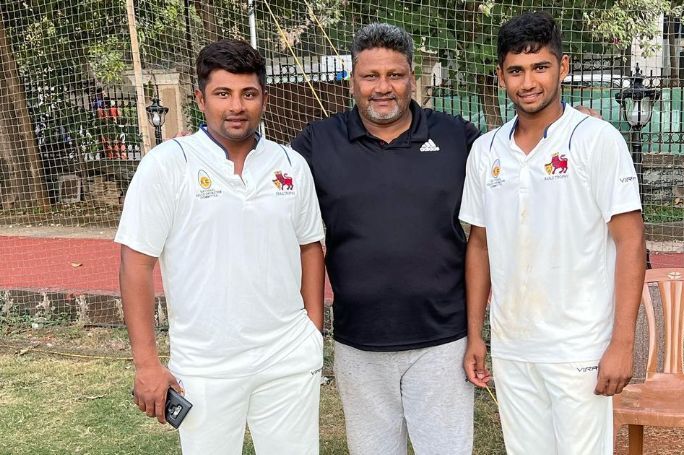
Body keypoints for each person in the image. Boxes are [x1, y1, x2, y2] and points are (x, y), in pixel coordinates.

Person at [116, 39, 325, 455]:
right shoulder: (167, 163)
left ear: (264, 97)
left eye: (248, 94)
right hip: (205, 366)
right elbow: (135, 266)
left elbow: (310, 247)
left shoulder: (290, 164)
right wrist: (146, 364)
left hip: (287, 358)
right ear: (200, 98)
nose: (236, 106)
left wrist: (312, 332)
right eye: (222, 93)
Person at [460, 12, 646, 454]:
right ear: (501, 76)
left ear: (563, 68)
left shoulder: (596, 139)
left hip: (579, 346)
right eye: (516, 70)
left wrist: (622, 343)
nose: (528, 82)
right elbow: (480, 245)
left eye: (540, 67)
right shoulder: (485, 151)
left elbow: (631, 240)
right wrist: (475, 334)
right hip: (513, 345)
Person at [291, 23, 479, 455]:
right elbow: (265, 187)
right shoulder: (317, 143)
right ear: (352, 80)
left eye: (394, 75)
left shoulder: (456, 138)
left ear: (412, 77)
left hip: (443, 342)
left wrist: (566, 124)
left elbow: (516, 158)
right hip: (359, 343)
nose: (383, 87)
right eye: (370, 76)